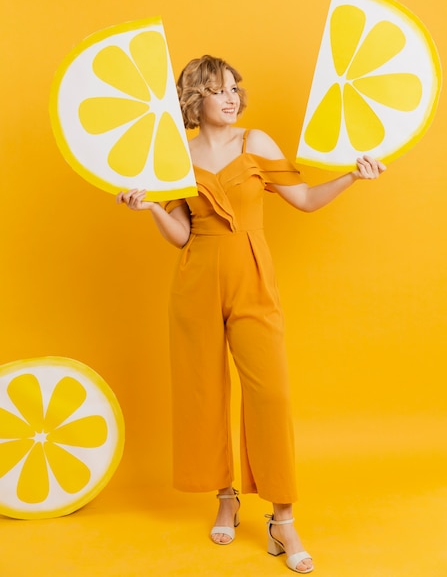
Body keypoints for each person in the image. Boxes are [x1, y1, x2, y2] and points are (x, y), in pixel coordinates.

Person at [117, 55, 386, 574]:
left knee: (271, 392)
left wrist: (353, 175)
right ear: (196, 97)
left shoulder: (255, 143)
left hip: (253, 276)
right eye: (218, 89)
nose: (231, 96)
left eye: (235, 87)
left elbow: (304, 199)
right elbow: (182, 235)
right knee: (204, 389)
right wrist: (149, 206)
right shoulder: (176, 154)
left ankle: (282, 519)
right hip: (196, 280)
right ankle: (225, 497)